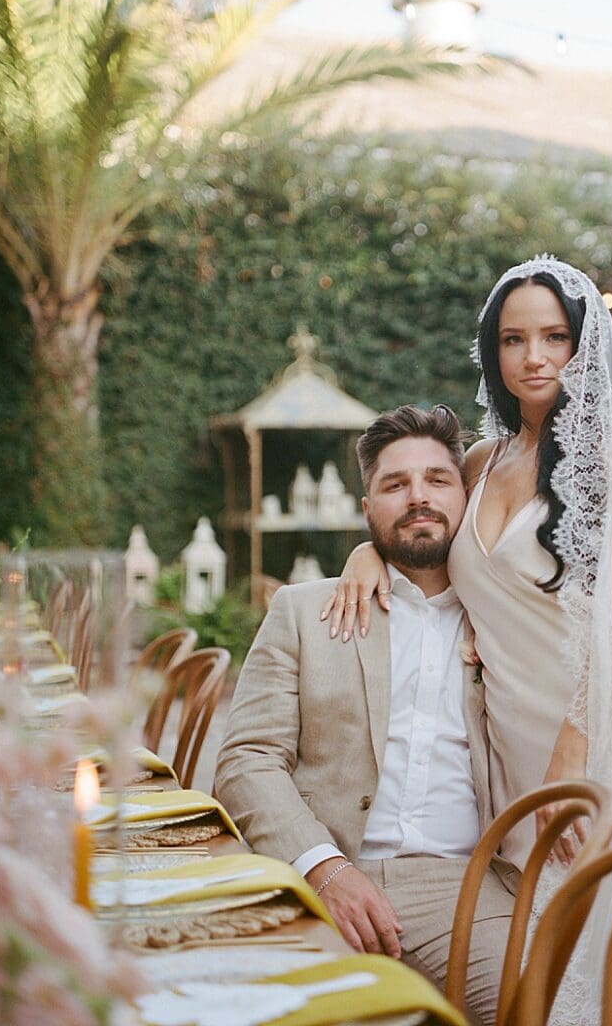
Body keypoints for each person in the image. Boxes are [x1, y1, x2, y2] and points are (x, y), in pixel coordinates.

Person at [323, 259, 612, 1026]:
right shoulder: (482, 462)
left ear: (586, 347)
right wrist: (364, 554)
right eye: (515, 339)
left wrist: (574, 754)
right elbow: (414, 522)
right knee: (536, 965)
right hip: (514, 747)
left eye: (556, 337)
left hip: (609, 739)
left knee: (605, 965)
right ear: (494, 353)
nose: (535, 356)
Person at [213, 404, 516, 1026]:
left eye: (438, 479)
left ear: (466, 496)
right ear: (366, 508)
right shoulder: (302, 611)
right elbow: (245, 762)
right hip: (322, 872)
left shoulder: (508, 621)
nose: (418, 498)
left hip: (469, 888)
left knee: (533, 1002)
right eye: (394, 484)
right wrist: (323, 868)